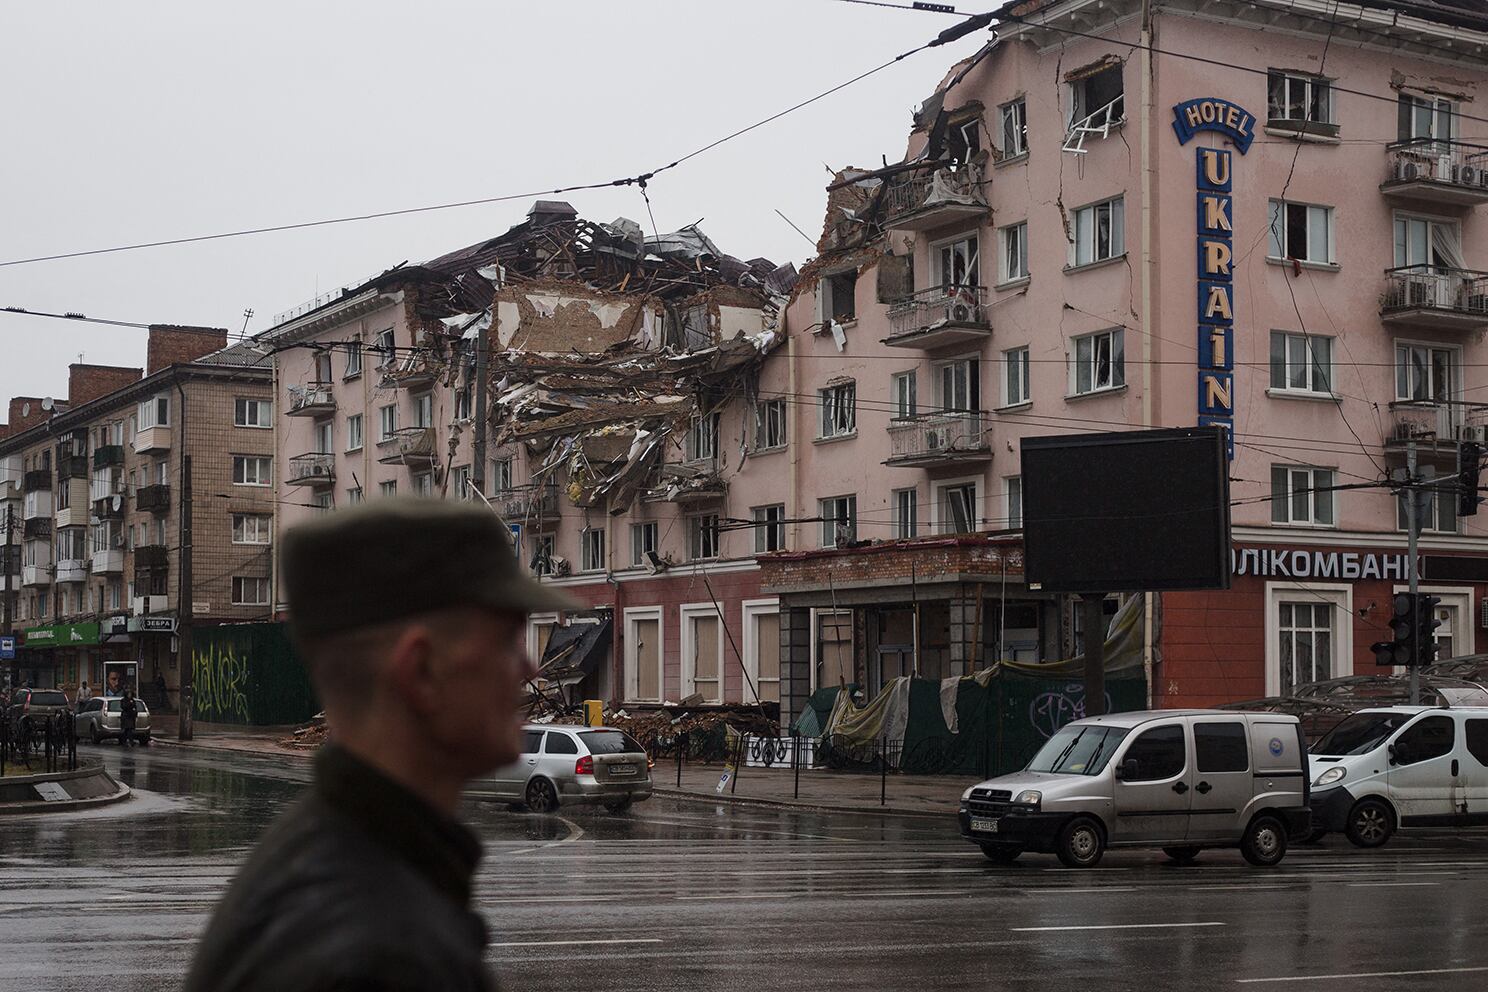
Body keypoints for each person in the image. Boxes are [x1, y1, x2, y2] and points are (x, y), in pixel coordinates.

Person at [185, 499, 576, 992]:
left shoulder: (330, 868)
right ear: (421, 671)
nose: (529, 670)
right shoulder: (382, 956)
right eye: (504, 641)